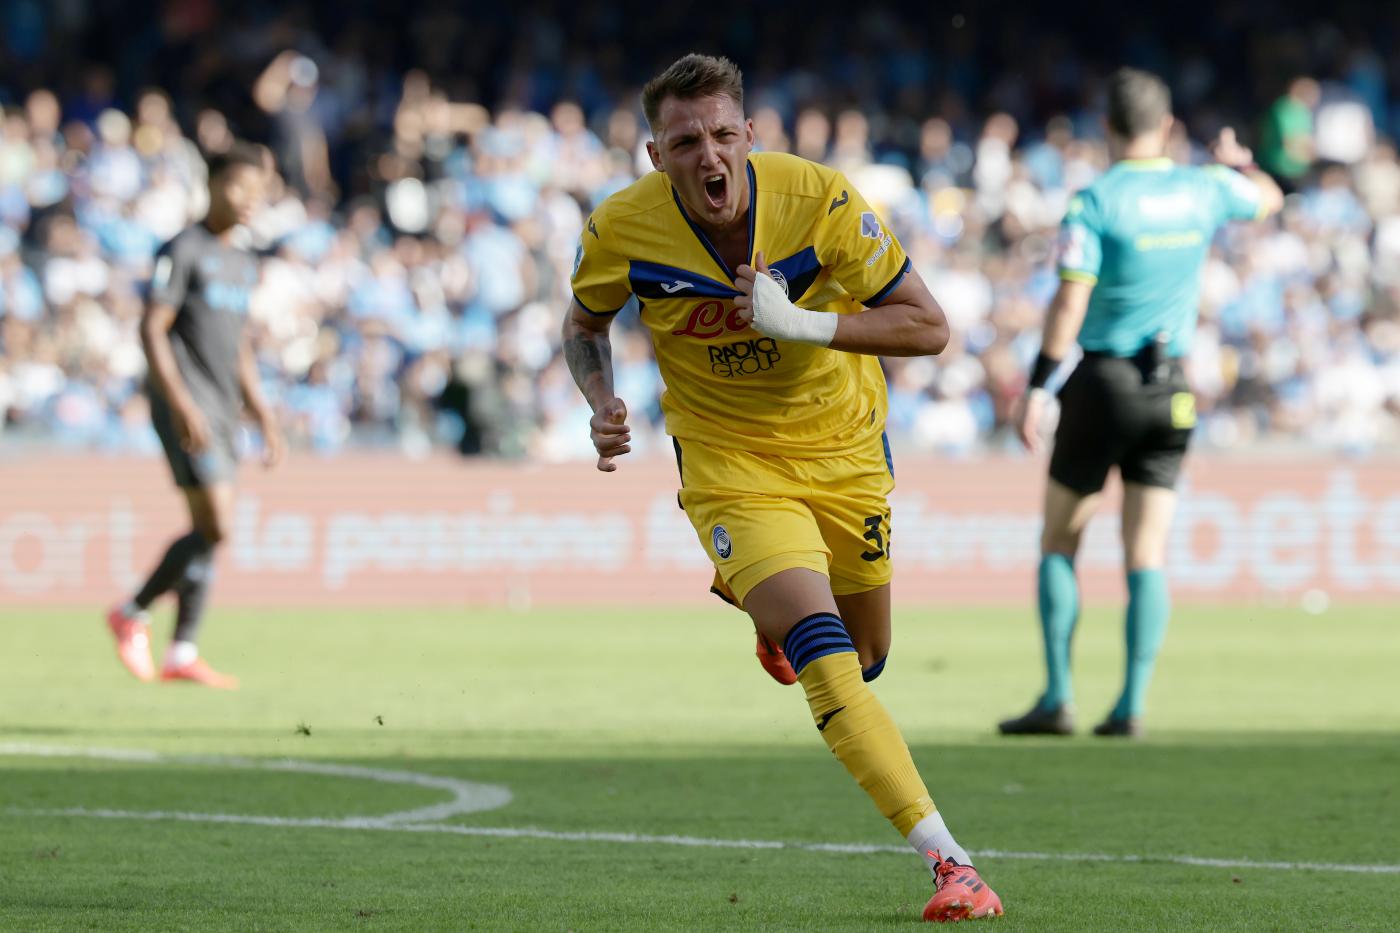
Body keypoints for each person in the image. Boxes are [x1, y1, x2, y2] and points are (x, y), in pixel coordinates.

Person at [562, 54, 1002, 922]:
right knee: (828, 662)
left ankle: (769, 608)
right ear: (659, 157)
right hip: (730, 464)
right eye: (686, 141)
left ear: (750, 137)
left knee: (868, 654)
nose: (708, 154)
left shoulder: (819, 200)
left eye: (723, 134)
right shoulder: (622, 227)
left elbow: (929, 325)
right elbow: (585, 325)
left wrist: (802, 321)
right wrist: (601, 399)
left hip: (844, 454)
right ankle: (952, 865)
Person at [998, 68, 1282, 739]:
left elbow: (1070, 299)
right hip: (1173, 386)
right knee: (1146, 550)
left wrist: (1038, 385)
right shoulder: (1203, 187)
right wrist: (1240, 162)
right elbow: (1268, 198)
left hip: (1103, 381)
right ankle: (1130, 704)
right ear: (1170, 126)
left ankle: (1059, 696)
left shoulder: (1094, 201)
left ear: (1108, 128)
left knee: (1060, 541)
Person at [105, 143, 283, 689]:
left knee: (210, 531)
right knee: (218, 524)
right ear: (211, 186)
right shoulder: (183, 248)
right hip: (187, 403)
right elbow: (151, 327)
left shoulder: (244, 261)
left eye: (258, 192)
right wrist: (179, 402)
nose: (249, 201)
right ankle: (132, 612)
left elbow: (238, 348)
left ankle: (181, 650)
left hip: (224, 406)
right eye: (238, 188)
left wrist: (262, 412)